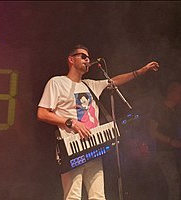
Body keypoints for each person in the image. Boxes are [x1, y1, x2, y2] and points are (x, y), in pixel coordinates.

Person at [37, 44, 159, 200]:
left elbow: (114, 81)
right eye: (83, 56)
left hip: (94, 146)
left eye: (88, 57)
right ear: (71, 59)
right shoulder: (57, 82)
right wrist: (71, 122)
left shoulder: (91, 84)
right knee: (73, 196)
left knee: (99, 196)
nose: (88, 60)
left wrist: (141, 71)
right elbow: (41, 113)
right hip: (72, 148)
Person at [149, 81, 181, 200]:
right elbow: (152, 132)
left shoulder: (177, 110)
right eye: (180, 93)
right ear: (171, 93)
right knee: (174, 181)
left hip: (178, 150)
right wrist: (170, 141)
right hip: (164, 153)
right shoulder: (158, 109)